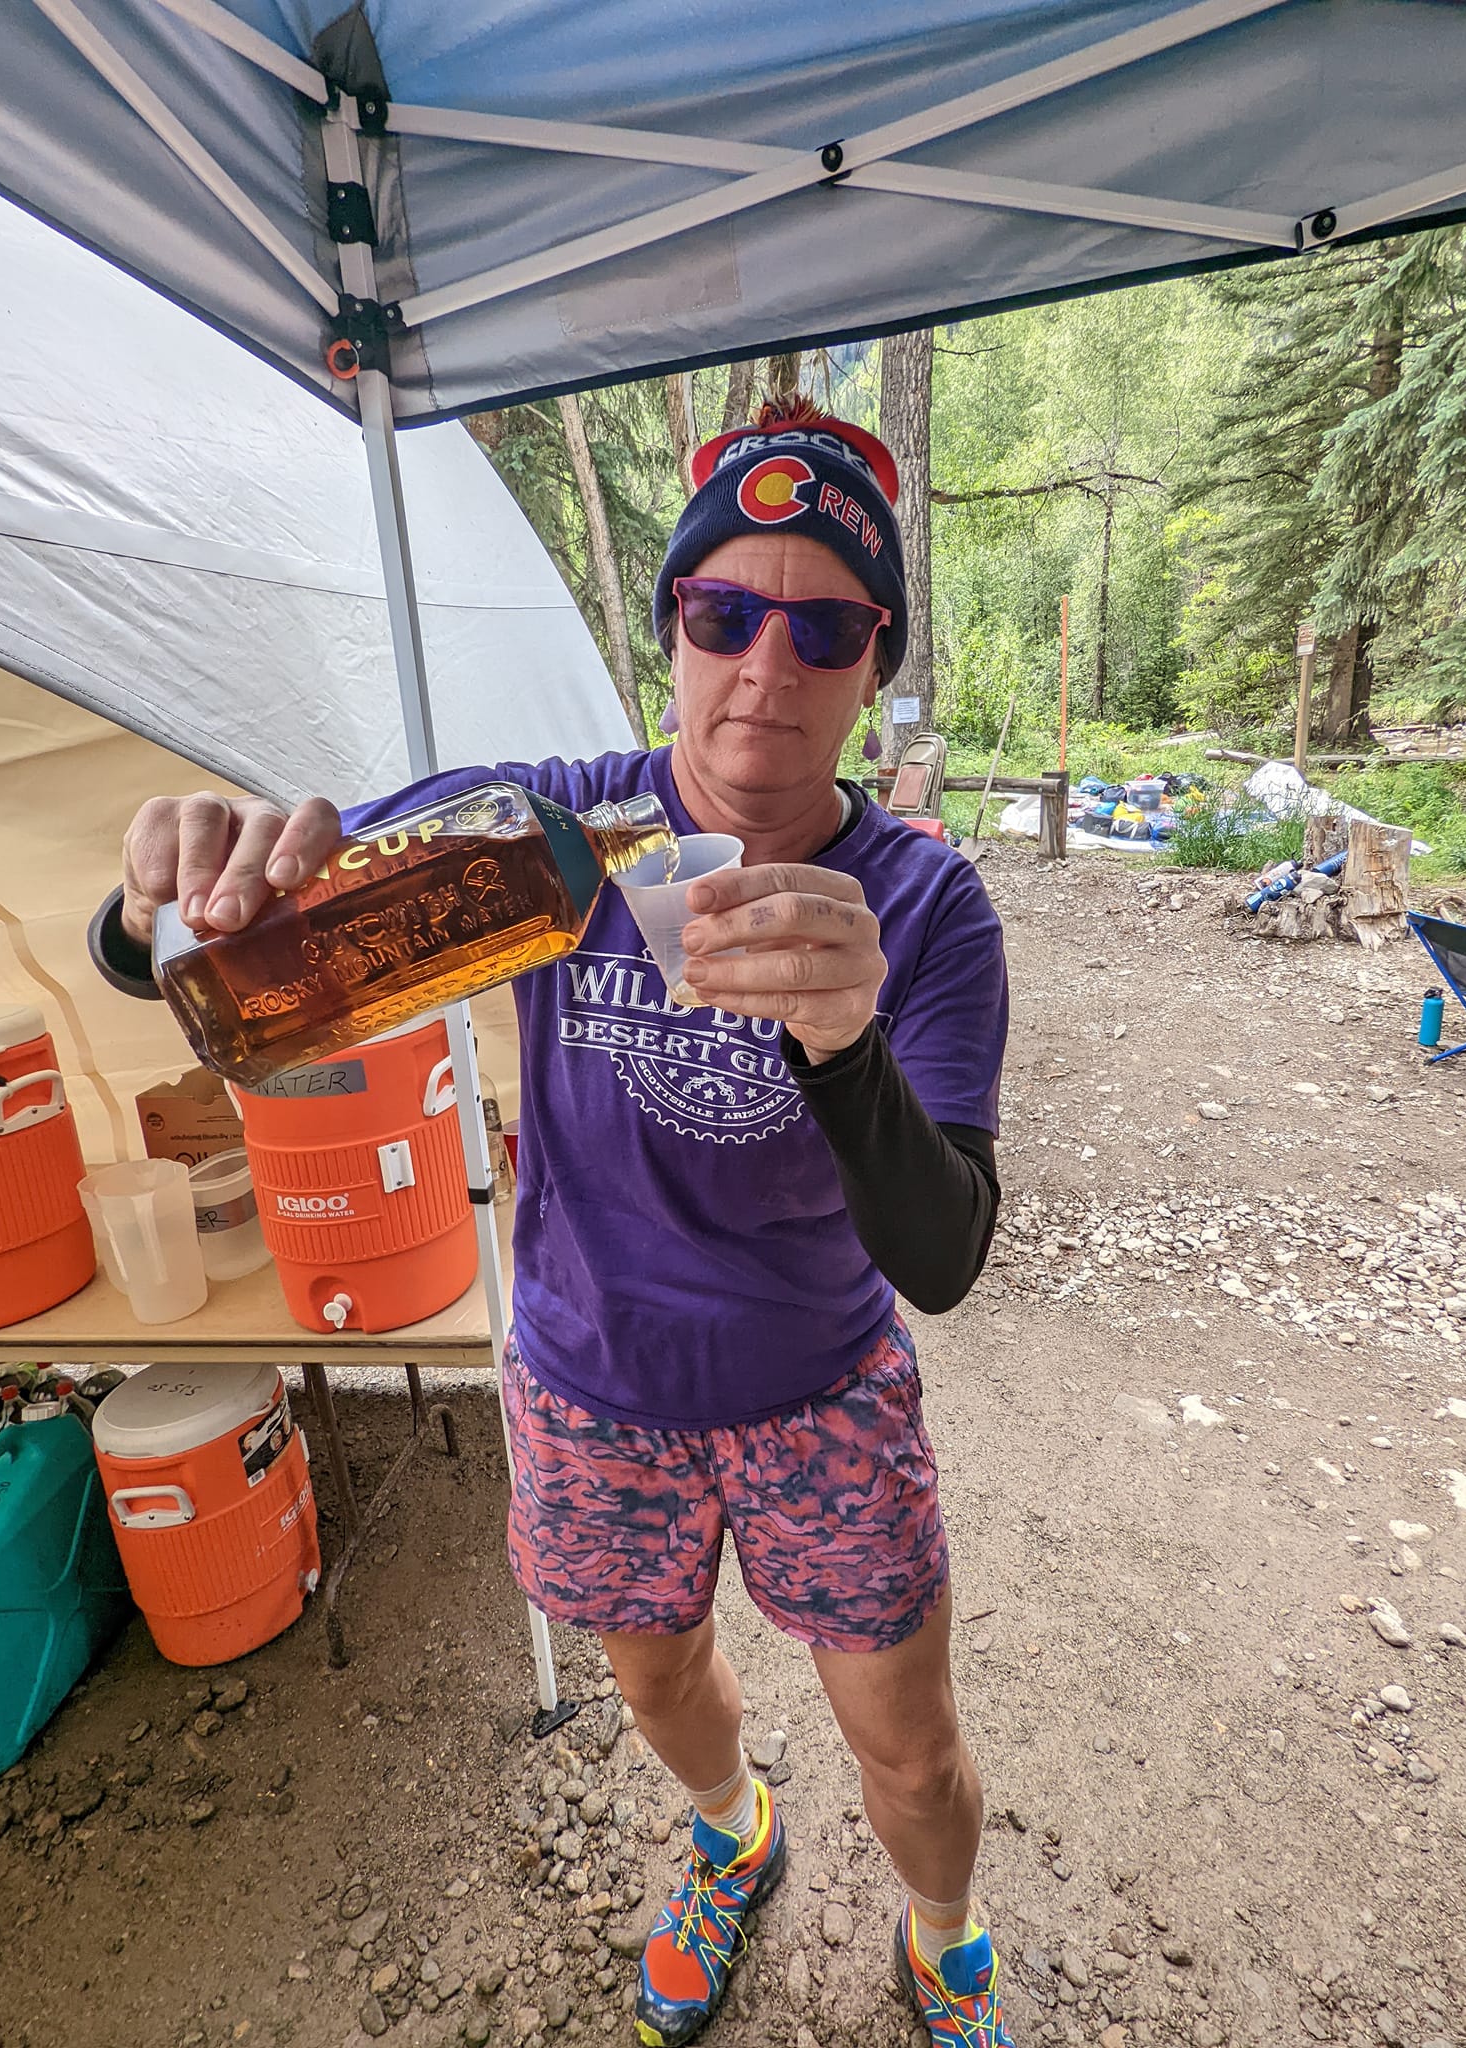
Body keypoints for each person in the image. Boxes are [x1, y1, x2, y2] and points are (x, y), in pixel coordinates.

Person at [90, 398, 1012, 2048]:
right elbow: (250, 945)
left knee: (911, 1746)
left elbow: (940, 1259)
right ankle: (732, 1834)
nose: (763, 670)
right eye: (722, 613)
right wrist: (157, 893)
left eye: (824, 629)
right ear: (667, 625)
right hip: (593, 1383)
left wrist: (846, 1042)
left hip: (822, 1388)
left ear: (874, 663)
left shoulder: (927, 905)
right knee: (653, 1682)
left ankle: (943, 1940)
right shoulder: (550, 835)